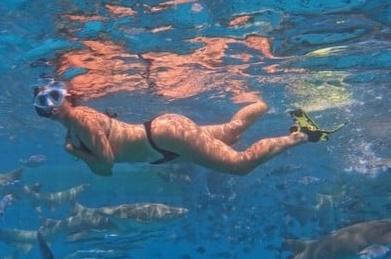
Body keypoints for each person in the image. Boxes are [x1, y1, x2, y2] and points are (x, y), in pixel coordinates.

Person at [33, 80, 342, 177]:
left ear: (69, 96)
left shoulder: (80, 121)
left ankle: (302, 135)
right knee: (233, 130)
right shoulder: (75, 126)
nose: (52, 103)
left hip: (164, 138)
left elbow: (106, 165)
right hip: (163, 145)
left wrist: (75, 153)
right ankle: (269, 99)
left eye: (56, 95)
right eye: (43, 100)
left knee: (239, 165)